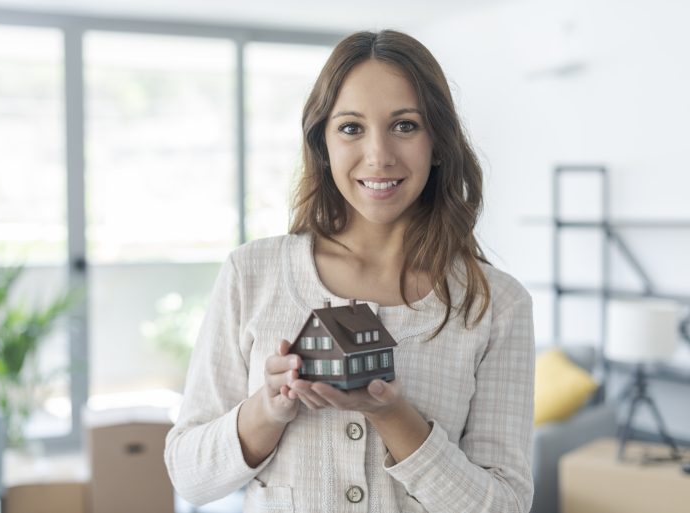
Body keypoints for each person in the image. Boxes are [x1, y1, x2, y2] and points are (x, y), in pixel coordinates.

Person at [165, 29, 535, 513]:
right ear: (323, 143)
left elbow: (505, 505)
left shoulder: (495, 304)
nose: (379, 155)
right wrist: (267, 408)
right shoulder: (251, 273)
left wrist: (394, 414)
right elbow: (190, 477)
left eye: (405, 125)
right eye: (351, 128)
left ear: (438, 142)